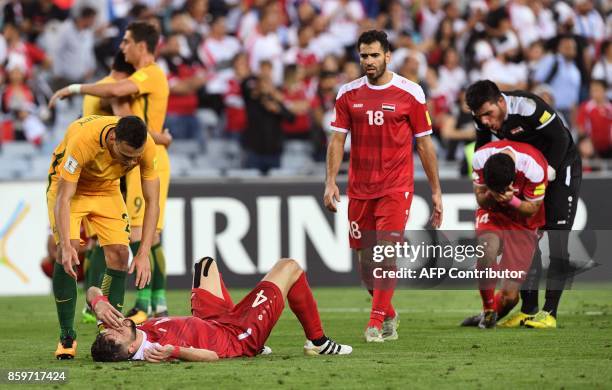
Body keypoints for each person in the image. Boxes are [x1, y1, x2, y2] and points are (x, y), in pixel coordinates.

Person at [324, 30, 443, 343]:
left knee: (386, 254)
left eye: (374, 55)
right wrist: (330, 181)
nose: (368, 61)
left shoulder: (411, 92)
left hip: (396, 187)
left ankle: (375, 323)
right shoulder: (347, 93)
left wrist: (436, 190)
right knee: (366, 267)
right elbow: (337, 139)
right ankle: (388, 312)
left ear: (388, 56)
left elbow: (425, 145)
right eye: (364, 55)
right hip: (360, 189)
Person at [49, 21, 172, 324]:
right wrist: (160, 136)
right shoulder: (115, 98)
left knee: (144, 236)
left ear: (141, 47)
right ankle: (105, 304)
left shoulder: (149, 76)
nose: (123, 46)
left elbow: (127, 116)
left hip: (141, 161)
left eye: (127, 41)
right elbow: (123, 120)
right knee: (117, 241)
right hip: (110, 168)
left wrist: (74, 88)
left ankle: (152, 302)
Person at [466, 80, 582, 329]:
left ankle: (549, 312)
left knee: (557, 237)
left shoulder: (528, 106)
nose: (485, 121)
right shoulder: (482, 118)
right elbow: (483, 145)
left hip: (559, 168)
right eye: (479, 116)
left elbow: (560, 139)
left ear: (500, 101)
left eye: (489, 114)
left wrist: (549, 172)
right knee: (529, 236)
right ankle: (528, 309)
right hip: (526, 171)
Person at [88, 257, 352, 362]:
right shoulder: (156, 351)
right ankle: (318, 341)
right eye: (117, 334)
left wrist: (98, 301)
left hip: (213, 322)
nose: (117, 326)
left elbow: (92, 291)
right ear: (131, 349)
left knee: (205, 265)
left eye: (108, 330)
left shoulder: (121, 330)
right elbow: (212, 357)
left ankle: (244, 316)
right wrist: (177, 351)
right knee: (289, 267)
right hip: (236, 336)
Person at [47, 115, 159, 359]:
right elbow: (64, 198)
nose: (132, 161)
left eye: (136, 156)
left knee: (120, 253)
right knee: (70, 250)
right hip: (69, 188)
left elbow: (153, 202)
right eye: (127, 155)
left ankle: (111, 328)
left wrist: (143, 253)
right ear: (112, 139)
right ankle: (67, 335)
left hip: (107, 188)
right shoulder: (83, 140)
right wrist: (65, 245)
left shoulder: (145, 146)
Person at [461, 140, 548, 328]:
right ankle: (489, 309)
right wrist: (490, 195)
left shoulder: (534, 168)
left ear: (512, 180)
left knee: (510, 298)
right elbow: (481, 199)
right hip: (493, 214)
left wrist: (512, 201)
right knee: (486, 250)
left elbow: (532, 209)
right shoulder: (480, 158)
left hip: (523, 222)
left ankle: (490, 312)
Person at [79, 51, 137, 324]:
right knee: (112, 244)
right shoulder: (112, 92)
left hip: (90, 175)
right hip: (108, 176)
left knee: (95, 242)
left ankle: (91, 304)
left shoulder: (95, 92)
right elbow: (124, 117)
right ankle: (100, 304)